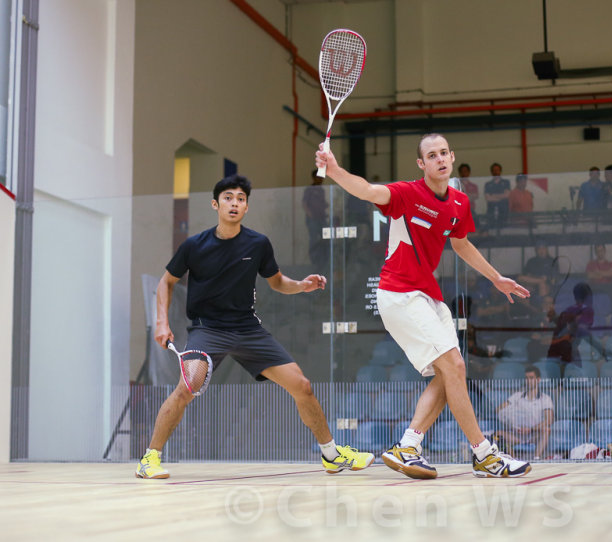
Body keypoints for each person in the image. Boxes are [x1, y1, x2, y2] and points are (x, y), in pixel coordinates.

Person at [316, 133, 532, 478]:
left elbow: (461, 245)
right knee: (455, 366)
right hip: (399, 294)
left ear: (452, 156)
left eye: (445, 152)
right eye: (432, 155)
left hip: (429, 298)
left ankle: (408, 446)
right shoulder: (406, 194)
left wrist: (496, 278)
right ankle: (485, 455)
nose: (440, 159)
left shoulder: (460, 202)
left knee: (450, 375)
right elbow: (368, 190)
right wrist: (336, 169)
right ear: (422, 164)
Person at [135, 175, 374, 479]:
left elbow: (277, 282)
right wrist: (161, 322)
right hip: (208, 330)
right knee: (187, 387)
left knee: (302, 386)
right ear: (215, 204)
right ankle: (150, 459)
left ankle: (331, 454)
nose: (234, 203)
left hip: (248, 329)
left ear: (246, 207)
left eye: (240, 199)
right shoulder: (194, 245)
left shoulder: (258, 243)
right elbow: (166, 282)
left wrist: (301, 285)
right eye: (228, 198)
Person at [493, 366, 553, 460]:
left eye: (531, 378)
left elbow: (549, 420)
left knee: (547, 430)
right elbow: (498, 410)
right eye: (526, 378)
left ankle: (536, 458)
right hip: (516, 435)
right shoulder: (517, 396)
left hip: (534, 435)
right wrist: (512, 421)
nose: (528, 381)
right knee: (498, 434)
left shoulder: (545, 399)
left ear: (538, 380)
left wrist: (531, 429)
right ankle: (513, 460)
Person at [546, 282, 595, 368]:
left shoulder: (586, 311)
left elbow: (582, 329)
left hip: (569, 347)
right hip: (562, 348)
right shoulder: (569, 311)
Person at [302, 170, 329, 268]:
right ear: (314, 178)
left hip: (322, 218)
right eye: (319, 177)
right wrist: (310, 215)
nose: (321, 179)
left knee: (326, 238)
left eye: (322, 177)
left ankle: (324, 259)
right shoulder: (309, 189)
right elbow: (304, 204)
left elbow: (322, 203)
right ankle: (314, 260)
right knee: (313, 239)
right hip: (313, 219)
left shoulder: (322, 190)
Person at [484, 162, 511, 230]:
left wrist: (493, 195)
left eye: (497, 170)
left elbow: (507, 195)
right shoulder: (488, 184)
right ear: (491, 172)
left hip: (504, 211)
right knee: (492, 230)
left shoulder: (506, 182)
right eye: (494, 170)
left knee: (504, 230)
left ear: (500, 171)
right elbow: (488, 198)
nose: (496, 172)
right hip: (491, 212)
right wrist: (501, 196)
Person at [456, 163, 480, 229]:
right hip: (459, 211)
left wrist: (464, 196)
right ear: (459, 173)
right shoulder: (456, 185)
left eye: (465, 171)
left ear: (469, 172)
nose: (464, 173)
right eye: (462, 172)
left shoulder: (473, 186)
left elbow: (475, 196)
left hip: (471, 210)